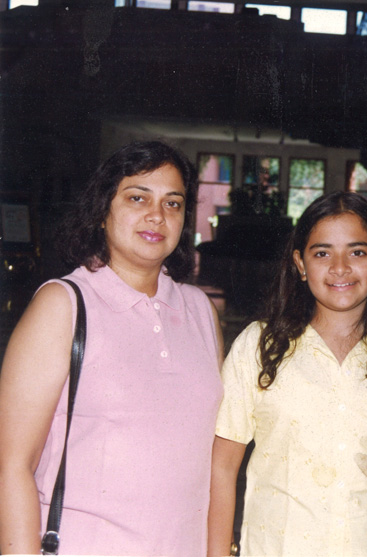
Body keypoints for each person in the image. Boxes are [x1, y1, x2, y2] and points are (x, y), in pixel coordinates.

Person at [0, 141, 224, 555]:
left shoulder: (200, 312)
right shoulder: (64, 305)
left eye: (173, 204)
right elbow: (11, 466)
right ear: (103, 210)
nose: (157, 215)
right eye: (138, 197)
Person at [207, 192, 367, 557]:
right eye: (322, 253)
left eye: (357, 252)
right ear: (300, 263)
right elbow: (223, 466)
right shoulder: (260, 347)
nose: (339, 267)